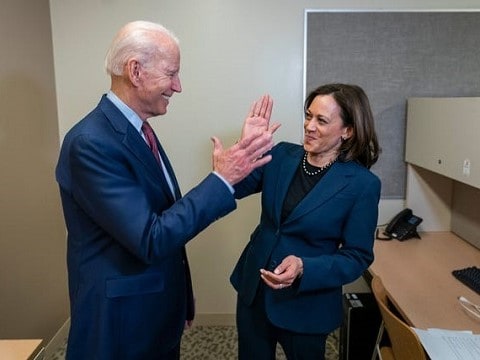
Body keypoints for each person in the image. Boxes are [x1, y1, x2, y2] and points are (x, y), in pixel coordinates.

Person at [55, 20, 278, 360]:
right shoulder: (91, 143)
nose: (178, 86)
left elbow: (160, 216)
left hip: (153, 311)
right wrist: (221, 179)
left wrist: (179, 298)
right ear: (136, 71)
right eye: (172, 73)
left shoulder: (136, 129)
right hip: (120, 325)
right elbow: (152, 237)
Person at [230, 83, 382, 360]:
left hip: (307, 304)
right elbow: (234, 189)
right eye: (308, 115)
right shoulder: (280, 156)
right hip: (255, 292)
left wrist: (304, 267)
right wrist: (246, 148)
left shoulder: (362, 184)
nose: (309, 126)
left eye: (321, 120)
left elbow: (357, 256)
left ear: (348, 131)